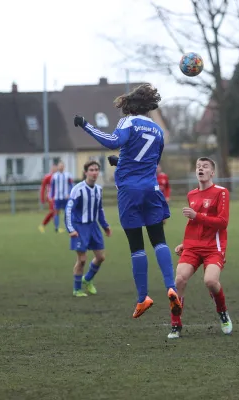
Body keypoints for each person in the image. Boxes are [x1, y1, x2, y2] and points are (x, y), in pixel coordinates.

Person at [72, 83, 182, 319]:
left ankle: (143, 298)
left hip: (130, 191)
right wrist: (120, 162)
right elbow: (148, 161)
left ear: (131, 106)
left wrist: (85, 124)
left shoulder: (128, 122)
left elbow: (112, 141)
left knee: (137, 246)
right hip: (152, 189)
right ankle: (171, 287)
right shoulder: (159, 131)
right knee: (159, 241)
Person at [168, 157, 232, 339]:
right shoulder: (191, 195)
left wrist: (197, 215)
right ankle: (175, 324)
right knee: (179, 280)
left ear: (212, 172)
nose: (200, 169)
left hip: (214, 247)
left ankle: (223, 313)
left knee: (210, 282)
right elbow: (193, 225)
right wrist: (185, 243)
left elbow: (223, 222)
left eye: (205, 166)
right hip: (193, 247)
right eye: (197, 166)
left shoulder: (221, 192)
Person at [66, 161, 111, 297]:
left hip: (93, 227)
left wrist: (105, 225)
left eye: (97, 169)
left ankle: (88, 279)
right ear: (85, 172)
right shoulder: (77, 189)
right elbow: (69, 210)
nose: (94, 172)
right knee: (82, 259)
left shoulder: (98, 189)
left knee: (100, 257)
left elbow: (99, 209)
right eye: (91, 170)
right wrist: (70, 229)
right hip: (80, 227)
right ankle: (77, 289)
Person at [50, 161, 74, 233]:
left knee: (67, 212)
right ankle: (56, 227)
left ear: (64, 167)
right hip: (57, 197)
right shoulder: (54, 176)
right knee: (56, 212)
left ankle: (68, 227)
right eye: (60, 166)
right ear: (58, 167)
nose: (61, 167)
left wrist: (69, 193)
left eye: (62, 166)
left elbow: (71, 185)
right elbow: (52, 186)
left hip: (65, 197)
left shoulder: (67, 175)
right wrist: (52, 196)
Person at [38, 164, 58, 233]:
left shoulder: (59, 176)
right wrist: (42, 198)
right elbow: (43, 187)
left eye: (56, 168)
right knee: (53, 211)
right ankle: (42, 225)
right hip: (50, 197)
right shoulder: (48, 177)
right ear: (51, 169)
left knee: (56, 212)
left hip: (58, 197)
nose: (55, 169)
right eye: (53, 168)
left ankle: (56, 228)